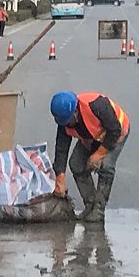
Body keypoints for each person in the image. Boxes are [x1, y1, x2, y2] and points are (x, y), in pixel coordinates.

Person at [48, 89, 129, 221]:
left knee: (106, 166)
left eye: (69, 120)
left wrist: (99, 154)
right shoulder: (64, 121)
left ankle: (98, 210)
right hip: (92, 136)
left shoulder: (96, 105)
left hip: (116, 132)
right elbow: (61, 149)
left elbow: (115, 130)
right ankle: (90, 204)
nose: (67, 124)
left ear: (75, 111)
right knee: (76, 164)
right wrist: (60, 178)